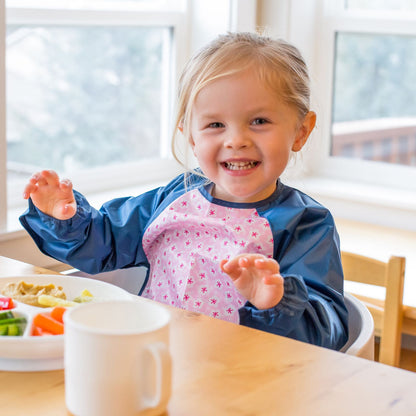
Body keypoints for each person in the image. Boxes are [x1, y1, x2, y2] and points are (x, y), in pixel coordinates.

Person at [20, 32, 348, 350]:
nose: (236, 140)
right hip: (154, 359)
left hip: (246, 382)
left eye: (259, 121)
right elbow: (101, 243)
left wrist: (275, 303)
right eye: (215, 125)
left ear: (300, 131)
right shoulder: (173, 199)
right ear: (191, 136)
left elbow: (327, 331)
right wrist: (65, 218)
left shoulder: (305, 224)